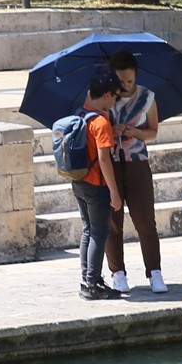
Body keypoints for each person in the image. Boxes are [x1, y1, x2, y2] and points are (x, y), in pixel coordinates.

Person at [106, 51, 166, 294]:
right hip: (110, 162)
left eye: (130, 81)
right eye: (121, 81)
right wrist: (113, 130)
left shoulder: (147, 98)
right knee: (113, 221)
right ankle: (117, 273)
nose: (126, 86)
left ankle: (155, 273)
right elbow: (94, 128)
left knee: (145, 220)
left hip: (137, 161)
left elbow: (153, 131)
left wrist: (136, 133)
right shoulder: (104, 97)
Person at [72, 68, 124, 300]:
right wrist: (114, 191)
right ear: (106, 95)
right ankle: (92, 284)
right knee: (99, 232)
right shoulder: (101, 122)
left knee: (88, 230)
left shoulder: (81, 114)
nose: (115, 102)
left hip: (79, 181)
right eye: (115, 96)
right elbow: (104, 158)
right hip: (96, 184)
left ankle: (87, 279)